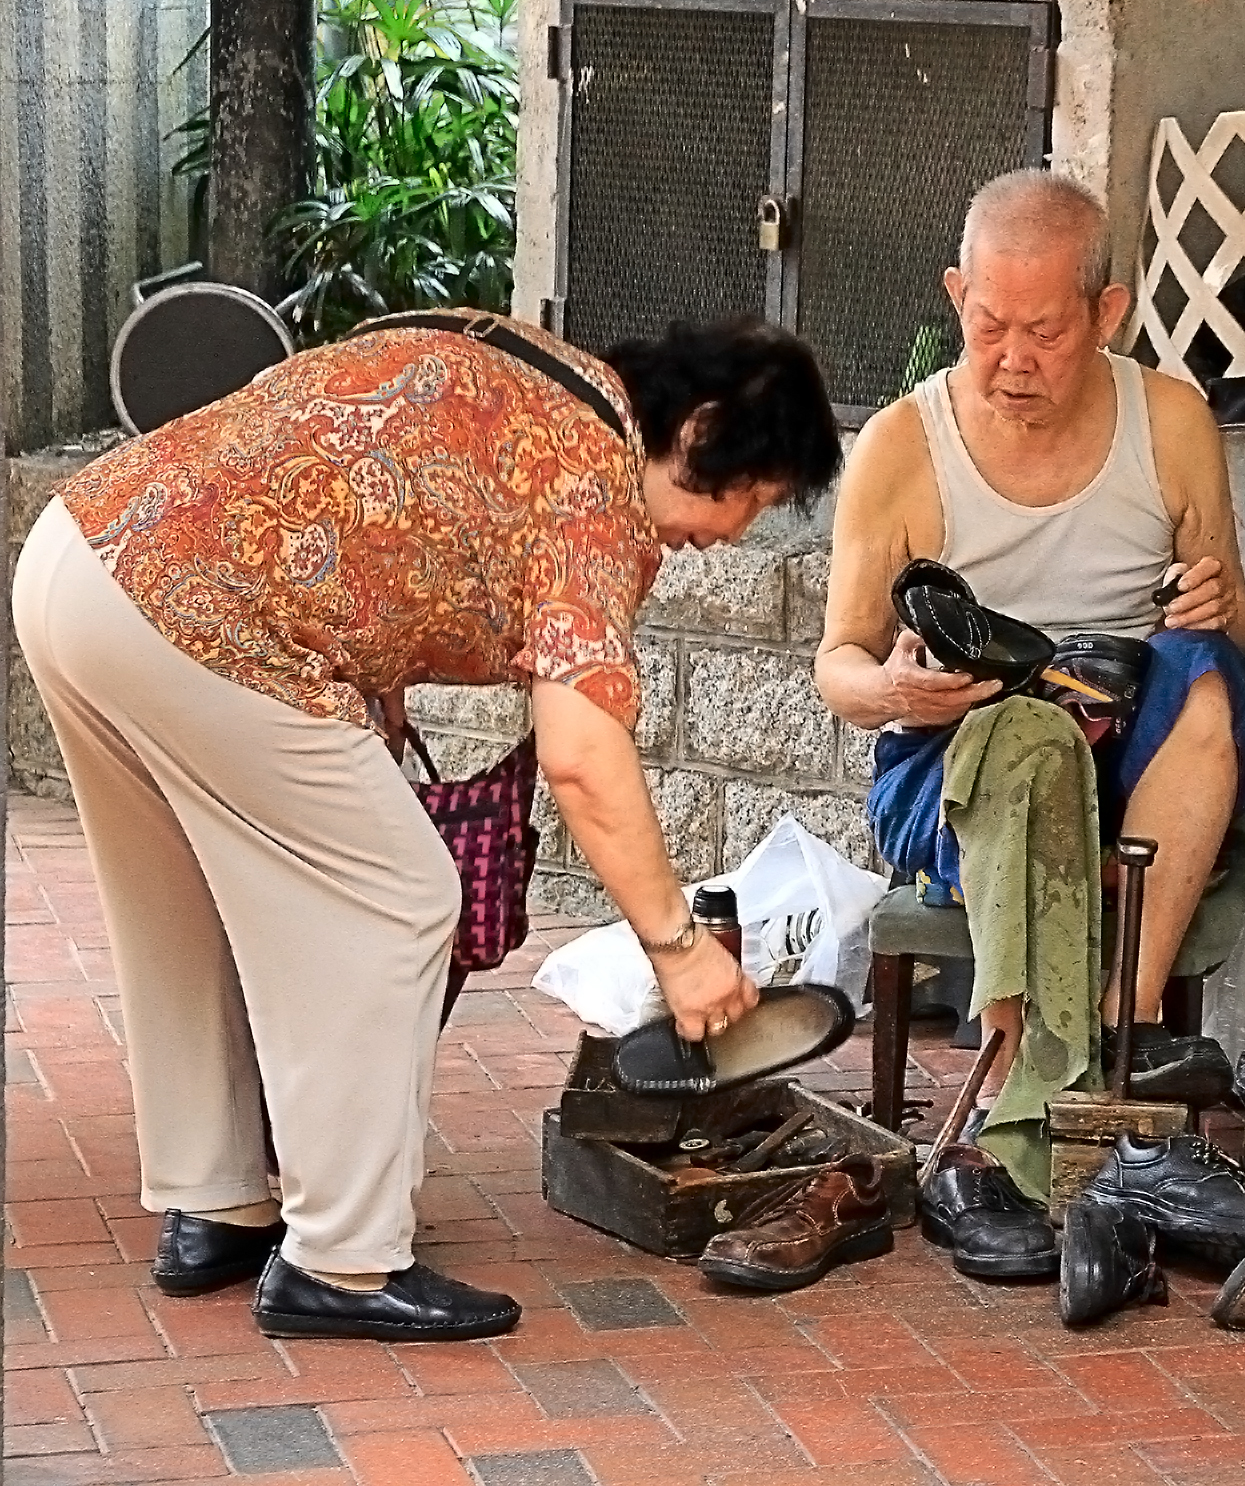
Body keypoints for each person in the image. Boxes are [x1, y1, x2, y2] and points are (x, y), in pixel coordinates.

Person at [13, 310, 841, 1341]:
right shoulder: (596, 484)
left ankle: (216, 1205)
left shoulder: (518, 357)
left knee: (179, 899)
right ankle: (344, 1261)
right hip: (205, 613)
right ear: (701, 427)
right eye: (747, 496)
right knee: (400, 901)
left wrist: (377, 665)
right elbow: (584, 760)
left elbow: (353, 453)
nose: (730, 534)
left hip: (79, 558)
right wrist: (677, 950)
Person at [815, 169, 1245, 1196]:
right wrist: (896, 692)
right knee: (1025, 739)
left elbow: (1236, 621)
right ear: (955, 296)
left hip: (1127, 751)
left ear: (1106, 312)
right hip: (955, 760)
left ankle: (1120, 1029)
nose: (1012, 359)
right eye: (988, 326)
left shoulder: (1170, 421)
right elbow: (837, 666)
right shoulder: (901, 444)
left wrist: (1218, 602)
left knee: (1205, 671)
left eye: (1045, 332)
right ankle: (1029, 1085)